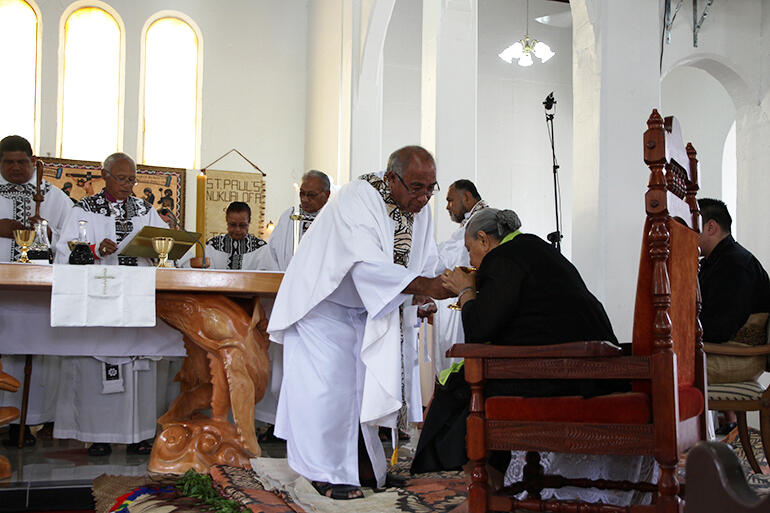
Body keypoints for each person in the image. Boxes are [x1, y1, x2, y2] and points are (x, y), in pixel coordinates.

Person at [412, 208, 635, 506]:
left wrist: (466, 291)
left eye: (470, 251)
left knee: (457, 393)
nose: (470, 261)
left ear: (483, 240)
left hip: (563, 374)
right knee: (475, 383)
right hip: (592, 371)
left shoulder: (501, 260)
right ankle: (494, 488)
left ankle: (484, 495)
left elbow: (479, 330)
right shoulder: (531, 249)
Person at [268, 146, 451, 499]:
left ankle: (365, 469)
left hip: (363, 310)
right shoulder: (358, 196)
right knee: (328, 393)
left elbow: (425, 259)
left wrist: (428, 289)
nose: (424, 197)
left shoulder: (418, 209)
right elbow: (366, 264)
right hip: (320, 306)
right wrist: (424, 286)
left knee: (360, 392)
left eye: (431, 188)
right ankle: (324, 473)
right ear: (390, 178)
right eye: (416, 187)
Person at [53, 152, 179, 456]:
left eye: (132, 179)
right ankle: (99, 434)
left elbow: (163, 249)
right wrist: (96, 248)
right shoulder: (84, 209)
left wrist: (157, 249)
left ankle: (140, 434)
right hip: (101, 299)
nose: (128, 185)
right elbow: (64, 253)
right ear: (104, 176)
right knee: (97, 365)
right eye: (122, 178)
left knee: (141, 364)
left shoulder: (144, 210)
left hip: (138, 297)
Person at [0, 135, 72, 446]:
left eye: (22, 162)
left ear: (33, 162)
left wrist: (46, 230)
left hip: (39, 289)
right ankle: (5, 421)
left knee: (40, 352)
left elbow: (73, 238)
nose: (16, 168)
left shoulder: (52, 196)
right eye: (8, 162)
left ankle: (36, 419)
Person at [697, 198, 770, 435]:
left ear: (710, 227)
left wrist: (680, 329)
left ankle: (673, 453)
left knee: (664, 368)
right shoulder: (718, 262)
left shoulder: (736, 264)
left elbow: (720, 328)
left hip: (738, 358)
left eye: (691, 227)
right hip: (723, 350)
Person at [431, 179, 488, 376]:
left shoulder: (477, 222)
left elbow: (447, 259)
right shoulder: (477, 219)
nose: (447, 207)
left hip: (470, 301)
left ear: (466, 197)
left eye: (450, 200)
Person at [267, 170, 331, 271]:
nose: (305, 199)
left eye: (311, 195)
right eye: (302, 193)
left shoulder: (333, 219)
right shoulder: (288, 217)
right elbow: (272, 253)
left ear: (327, 194)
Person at [191, 201, 270, 270]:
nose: (237, 230)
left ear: (249, 222)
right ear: (226, 220)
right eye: (233, 225)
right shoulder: (212, 246)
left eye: (242, 225)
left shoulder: (261, 249)